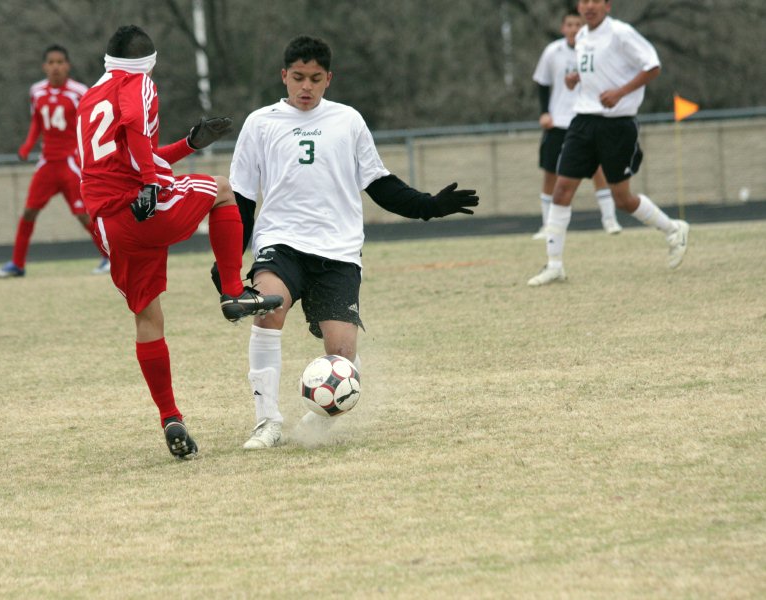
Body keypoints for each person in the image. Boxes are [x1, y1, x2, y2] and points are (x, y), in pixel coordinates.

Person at [228, 35, 479, 450]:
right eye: (297, 78)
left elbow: (379, 183)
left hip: (337, 251)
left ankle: (318, 419)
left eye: (314, 78)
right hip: (280, 242)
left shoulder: (348, 120)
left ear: (329, 79)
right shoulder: (260, 123)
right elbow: (241, 199)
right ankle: (266, 422)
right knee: (267, 311)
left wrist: (428, 206)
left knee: (342, 357)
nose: (305, 87)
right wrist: (227, 259)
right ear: (283, 77)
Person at [76, 25, 282, 459]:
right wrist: (151, 185)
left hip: (107, 225)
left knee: (148, 319)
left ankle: (170, 417)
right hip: (137, 207)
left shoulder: (91, 97)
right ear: (148, 63)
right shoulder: (138, 82)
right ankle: (232, 292)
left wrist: (188, 144)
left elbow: (133, 153)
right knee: (223, 189)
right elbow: (134, 125)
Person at [528, 0, 689, 286]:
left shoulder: (621, 33)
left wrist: (620, 92)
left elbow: (652, 66)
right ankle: (554, 265)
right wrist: (576, 78)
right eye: (584, 1)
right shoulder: (581, 37)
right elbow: (594, 70)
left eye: (595, 1)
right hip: (583, 121)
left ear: (607, 5)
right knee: (562, 189)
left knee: (622, 198)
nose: (589, 6)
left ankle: (674, 228)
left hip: (617, 125)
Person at [0, 45, 109, 278]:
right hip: (47, 163)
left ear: (68, 65)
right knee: (28, 212)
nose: (56, 67)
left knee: (84, 214)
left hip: (70, 163)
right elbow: (36, 121)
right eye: (51, 62)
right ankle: (17, 264)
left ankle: (111, 257)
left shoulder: (79, 92)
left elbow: (88, 125)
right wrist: (27, 145)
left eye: (60, 62)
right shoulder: (36, 91)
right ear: (44, 66)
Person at [532, 9, 621, 239]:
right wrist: (544, 112)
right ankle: (547, 225)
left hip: (587, 118)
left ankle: (610, 220)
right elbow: (542, 82)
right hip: (558, 122)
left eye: (577, 24)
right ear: (563, 28)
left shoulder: (593, 49)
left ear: (584, 26)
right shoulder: (553, 52)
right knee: (551, 174)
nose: (573, 29)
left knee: (598, 170)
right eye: (569, 25)